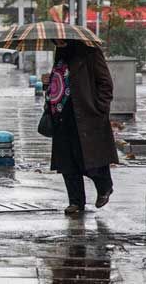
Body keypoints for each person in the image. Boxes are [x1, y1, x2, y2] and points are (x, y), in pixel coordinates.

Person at [43, 40, 118, 215]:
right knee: (67, 162)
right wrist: (49, 82)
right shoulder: (60, 53)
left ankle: (104, 186)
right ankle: (76, 202)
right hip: (62, 116)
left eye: (59, 40)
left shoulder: (90, 52)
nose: (56, 42)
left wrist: (100, 108)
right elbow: (62, 81)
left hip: (86, 115)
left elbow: (105, 83)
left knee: (89, 159)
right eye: (54, 41)